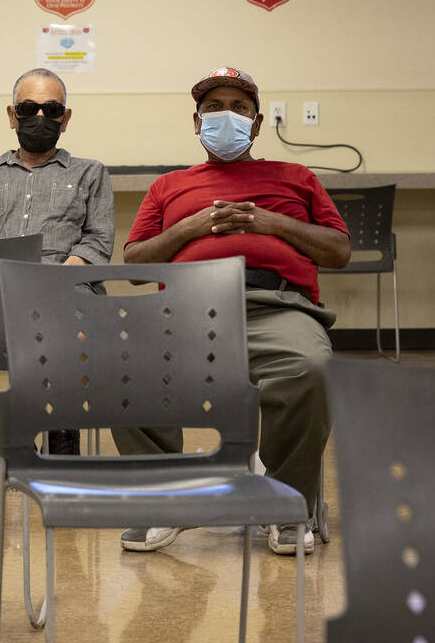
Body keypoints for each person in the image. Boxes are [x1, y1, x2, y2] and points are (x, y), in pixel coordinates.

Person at [116, 66, 350, 556]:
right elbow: (135, 264)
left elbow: (337, 251)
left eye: (239, 108)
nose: (226, 116)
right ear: (197, 122)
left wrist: (271, 221)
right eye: (214, 108)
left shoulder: (296, 178)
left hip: (274, 306)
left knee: (312, 368)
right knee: (123, 365)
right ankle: (165, 502)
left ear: (258, 123)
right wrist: (191, 228)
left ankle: (286, 506)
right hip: (184, 309)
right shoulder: (170, 186)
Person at [0, 67, 115, 485]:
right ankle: (3, 435)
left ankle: (62, 434)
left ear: (65, 118)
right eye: (28, 108)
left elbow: (96, 243)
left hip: (66, 289)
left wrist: (49, 282)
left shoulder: (90, 173)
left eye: (50, 109)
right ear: (11, 114)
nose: (39, 116)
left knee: (69, 329)